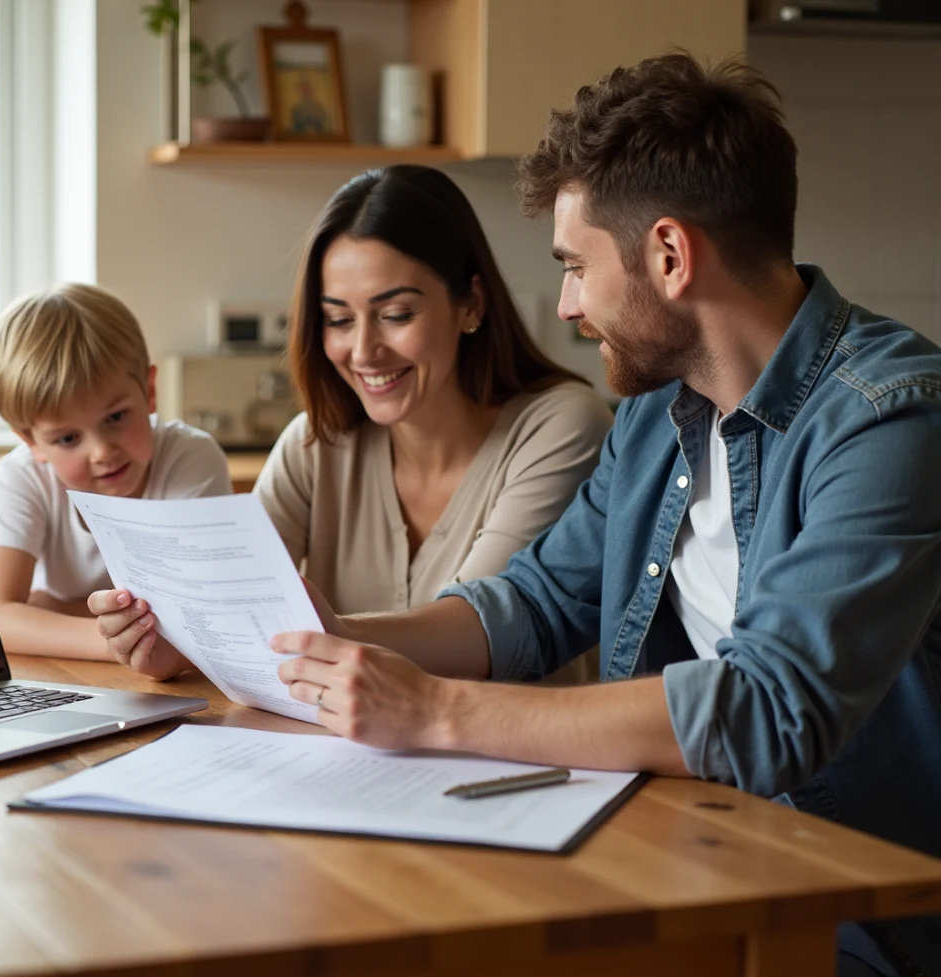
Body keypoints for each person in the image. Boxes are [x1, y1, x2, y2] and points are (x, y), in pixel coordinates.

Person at [92, 54, 941, 977]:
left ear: (669, 253)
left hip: (862, 911)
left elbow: (768, 708)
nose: (569, 303)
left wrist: (436, 710)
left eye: (577, 266)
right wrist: (330, 635)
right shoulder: (657, 417)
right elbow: (534, 605)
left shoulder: (890, 416)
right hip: (691, 848)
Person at [255, 165, 612, 624]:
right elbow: (233, 607)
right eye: (340, 320)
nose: (364, 352)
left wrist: (325, 640)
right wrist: (170, 640)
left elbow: (479, 631)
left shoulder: (562, 427)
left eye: (397, 314)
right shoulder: (315, 443)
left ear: (471, 304)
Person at [0, 283, 232, 661]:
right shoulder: (23, 475)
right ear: (31, 442)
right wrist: (116, 642)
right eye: (67, 438)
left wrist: (53, 608)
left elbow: (199, 620)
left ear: (148, 391)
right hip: (82, 678)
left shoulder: (190, 459)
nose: (102, 451)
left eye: (115, 417)